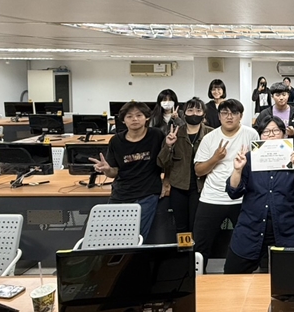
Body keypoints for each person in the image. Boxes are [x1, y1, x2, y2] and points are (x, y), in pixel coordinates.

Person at [224, 117, 294, 274]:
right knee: (232, 274)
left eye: (275, 131)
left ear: (284, 134)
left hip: (288, 228)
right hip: (252, 227)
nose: (271, 135)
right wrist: (237, 170)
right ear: (260, 136)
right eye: (265, 132)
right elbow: (233, 192)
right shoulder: (249, 158)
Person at [192, 99, 259, 271]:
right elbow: (198, 171)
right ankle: (197, 280)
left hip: (241, 198)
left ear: (241, 116)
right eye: (225, 113)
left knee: (247, 242)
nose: (229, 117)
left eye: (234, 113)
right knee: (200, 244)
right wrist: (215, 158)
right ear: (219, 116)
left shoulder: (251, 134)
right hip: (212, 197)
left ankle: (244, 277)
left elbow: (258, 167)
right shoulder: (209, 138)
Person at [90, 101, 166, 240]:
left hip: (147, 194)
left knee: (136, 237)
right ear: (123, 120)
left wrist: (166, 183)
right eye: (129, 116)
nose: (134, 119)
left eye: (139, 115)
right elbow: (114, 172)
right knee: (111, 237)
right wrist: (107, 170)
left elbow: (167, 162)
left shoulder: (156, 135)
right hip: (121, 194)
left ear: (147, 117)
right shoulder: (116, 141)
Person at [158, 97, 213, 235]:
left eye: (198, 111)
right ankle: (183, 249)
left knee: (197, 226)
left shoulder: (211, 134)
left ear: (204, 114)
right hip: (179, 187)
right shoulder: (174, 133)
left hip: (203, 187)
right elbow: (161, 163)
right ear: (184, 113)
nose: (194, 113)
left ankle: (196, 250)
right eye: (190, 110)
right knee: (181, 227)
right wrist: (168, 146)